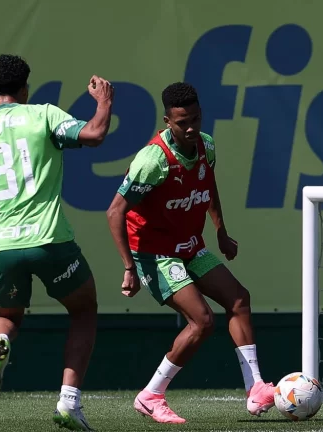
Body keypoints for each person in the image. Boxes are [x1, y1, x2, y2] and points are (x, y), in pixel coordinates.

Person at [0, 54, 114, 431]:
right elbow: (95, 135)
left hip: (3, 248)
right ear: (25, 88)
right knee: (83, 311)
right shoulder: (44, 115)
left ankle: (0, 341)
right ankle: (68, 402)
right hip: (51, 241)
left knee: (4, 318)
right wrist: (104, 102)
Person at [105, 82, 277, 424]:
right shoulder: (152, 160)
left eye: (196, 119)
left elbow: (207, 186)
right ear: (168, 120)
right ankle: (151, 395)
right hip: (154, 252)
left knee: (239, 299)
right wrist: (129, 268)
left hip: (190, 244)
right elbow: (115, 212)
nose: (191, 128)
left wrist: (222, 232)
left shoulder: (206, 145)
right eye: (182, 122)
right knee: (202, 321)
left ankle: (255, 388)